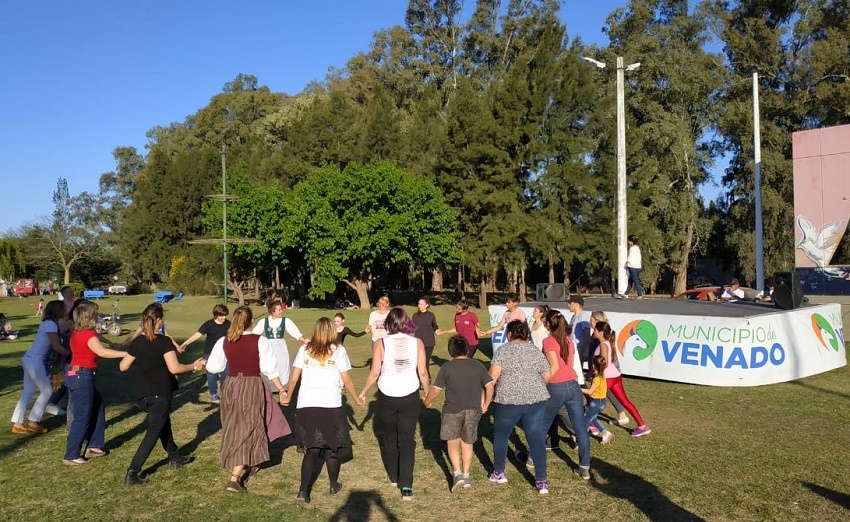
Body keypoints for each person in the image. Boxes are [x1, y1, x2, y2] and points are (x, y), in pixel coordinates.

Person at [205, 306, 291, 492]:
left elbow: (212, 367)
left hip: (231, 385)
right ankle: (234, 478)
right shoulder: (260, 341)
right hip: (251, 386)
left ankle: (252, 460)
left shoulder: (224, 341)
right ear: (251, 321)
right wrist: (282, 389)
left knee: (239, 424)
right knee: (248, 426)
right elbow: (270, 369)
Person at [119, 303, 205, 486]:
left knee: (163, 424)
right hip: (160, 394)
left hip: (143, 395)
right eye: (162, 318)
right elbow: (174, 367)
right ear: (158, 321)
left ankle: (175, 457)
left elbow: (123, 366)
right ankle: (132, 472)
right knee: (153, 432)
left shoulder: (138, 342)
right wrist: (193, 367)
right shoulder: (164, 342)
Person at [282, 317, 365, 503]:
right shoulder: (339, 351)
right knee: (332, 447)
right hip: (331, 406)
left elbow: (294, 377)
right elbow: (347, 379)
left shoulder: (305, 349)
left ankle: (303, 491)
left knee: (312, 449)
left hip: (307, 405)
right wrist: (357, 398)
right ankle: (333, 484)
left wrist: (287, 394)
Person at [359, 307, 430, 501]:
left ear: (389, 322)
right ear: (406, 322)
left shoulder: (381, 343)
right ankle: (406, 484)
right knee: (407, 440)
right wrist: (428, 392)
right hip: (410, 396)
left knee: (390, 438)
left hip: (387, 396)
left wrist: (364, 392)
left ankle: (393, 475)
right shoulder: (417, 343)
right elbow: (423, 372)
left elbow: (375, 372)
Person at [487, 320, 553, 494]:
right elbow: (547, 375)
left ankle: (499, 472)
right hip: (536, 400)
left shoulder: (502, 350)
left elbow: (492, 377)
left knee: (501, 436)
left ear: (509, 334)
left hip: (507, 400)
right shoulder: (535, 351)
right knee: (536, 438)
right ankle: (542, 481)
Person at [423, 335, 494, 492]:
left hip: (452, 410)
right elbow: (490, 386)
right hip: (473, 410)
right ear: (467, 349)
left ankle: (457, 473)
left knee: (452, 441)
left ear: (450, 351)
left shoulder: (447, 367)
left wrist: (426, 402)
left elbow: (435, 390)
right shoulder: (478, 365)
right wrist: (485, 404)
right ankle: (467, 474)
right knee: (467, 442)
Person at [63, 300, 128, 465]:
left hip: (72, 372)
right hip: (82, 376)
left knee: (98, 406)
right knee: (82, 416)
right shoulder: (88, 335)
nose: (98, 316)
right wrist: (125, 355)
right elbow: (102, 352)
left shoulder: (77, 332)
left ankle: (94, 446)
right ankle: (71, 455)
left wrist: (109, 342)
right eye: (95, 314)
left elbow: (98, 339)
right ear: (89, 317)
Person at [537, 310, 592, 480]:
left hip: (556, 387)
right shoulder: (568, 341)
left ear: (548, 324)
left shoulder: (548, 341)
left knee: (542, 425)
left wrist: (541, 383)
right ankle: (585, 466)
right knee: (580, 427)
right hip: (573, 386)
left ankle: (532, 458)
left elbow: (554, 368)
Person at [11, 301, 69, 434]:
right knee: (47, 391)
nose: (65, 310)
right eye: (63, 309)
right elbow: (56, 346)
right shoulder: (50, 324)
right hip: (35, 361)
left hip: (30, 359)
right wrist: (70, 354)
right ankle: (33, 422)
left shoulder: (49, 323)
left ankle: (17, 423)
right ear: (57, 311)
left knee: (28, 391)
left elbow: (58, 334)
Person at [594, 321, 651, 437]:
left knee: (592, 401)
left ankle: (593, 426)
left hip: (607, 378)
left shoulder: (603, 345)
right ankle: (642, 426)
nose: (593, 331)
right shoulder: (608, 343)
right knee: (625, 402)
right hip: (616, 376)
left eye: (595, 330)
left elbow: (603, 362)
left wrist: (594, 374)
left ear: (600, 332)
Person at [180, 304, 231, 403]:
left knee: (226, 373)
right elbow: (197, 335)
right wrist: (185, 343)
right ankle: (213, 394)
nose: (224, 318)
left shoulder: (228, 324)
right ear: (215, 315)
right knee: (211, 374)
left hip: (224, 353)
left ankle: (223, 392)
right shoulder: (208, 324)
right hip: (210, 353)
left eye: (225, 315)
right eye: (221, 316)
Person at [252, 299, 305, 388]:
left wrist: (302, 339)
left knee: (282, 363)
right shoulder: (264, 321)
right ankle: (270, 385)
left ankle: (282, 384)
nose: (281, 311)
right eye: (279, 309)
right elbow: (254, 334)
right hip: (268, 346)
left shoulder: (285, 321)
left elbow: (294, 331)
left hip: (280, 346)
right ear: (273, 311)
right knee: (269, 363)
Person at [590, 311, 630, 427]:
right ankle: (621, 414)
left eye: (592, 320)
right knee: (606, 392)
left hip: (604, 371)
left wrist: (596, 371)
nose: (590, 322)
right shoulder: (599, 335)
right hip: (603, 370)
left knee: (598, 392)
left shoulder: (601, 337)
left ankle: (592, 421)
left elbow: (606, 358)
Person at [583, 354, 614, 445]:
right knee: (593, 418)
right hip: (602, 402)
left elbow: (590, 391)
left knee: (587, 419)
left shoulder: (596, 379)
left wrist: (578, 389)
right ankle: (605, 433)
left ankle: (583, 438)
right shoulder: (602, 375)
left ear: (593, 365)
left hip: (596, 403)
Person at [411, 297, 439, 379]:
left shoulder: (431, 315)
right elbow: (411, 327)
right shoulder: (415, 315)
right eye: (419, 303)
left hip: (428, 342)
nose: (419, 305)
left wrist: (438, 331)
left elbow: (435, 327)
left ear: (426, 305)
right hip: (418, 343)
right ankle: (422, 378)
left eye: (421, 304)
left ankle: (426, 379)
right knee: (418, 361)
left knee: (425, 362)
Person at [568, 294, 592, 366]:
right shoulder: (574, 317)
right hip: (574, 349)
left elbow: (587, 334)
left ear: (576, 304)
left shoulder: (583, 316)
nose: (568, 305)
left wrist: (583, 351)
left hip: (579, 349)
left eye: (570, 303)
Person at [620, 234, 644, 299]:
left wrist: (626, 264)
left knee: (636, 281)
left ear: (631, 241)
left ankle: (640, 295)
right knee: (630, 281)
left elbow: (630, 257)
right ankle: (626, 294)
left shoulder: (632, 248)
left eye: (628, 241)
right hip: (638, 267)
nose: (628, 242)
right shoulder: (637, 248)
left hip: (632, 267)